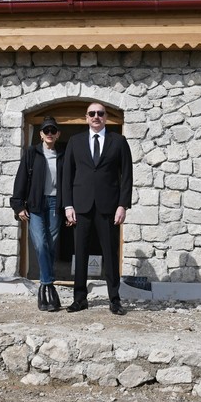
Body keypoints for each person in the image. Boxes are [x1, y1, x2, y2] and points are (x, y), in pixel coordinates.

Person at [62, 102, 133, 315]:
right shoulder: (75, 142)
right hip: (81, 205)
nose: (96, 117)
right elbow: (67, 175)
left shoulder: (118, 142)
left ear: (106, 117)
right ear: (86, 117)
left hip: (108, 206)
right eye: (92, 114)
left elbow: (127, 176)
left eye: (100, 114)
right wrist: (68, 205)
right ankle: (80, 298)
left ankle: (114, 299)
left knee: (110, 253)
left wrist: (123, 205)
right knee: (80, 252)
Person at [10, 116, 64, 312]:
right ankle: (48, 285)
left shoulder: (63, 155)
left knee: (50, 247)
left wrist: (69, 207)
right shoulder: (32, 153)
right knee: (41, 245)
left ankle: (44, 289)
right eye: (46, 131)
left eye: (53, 130)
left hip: (55, 204)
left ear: (57, 134)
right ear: (41, 134)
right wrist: (18, 205)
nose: (49, 134)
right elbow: (21, 179)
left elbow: (69, 183)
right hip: (35, 205)